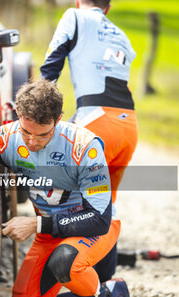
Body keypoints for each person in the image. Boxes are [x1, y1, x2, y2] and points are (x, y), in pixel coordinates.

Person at [0, 79, 135, 297]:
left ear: (58, 120)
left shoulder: (85, 146)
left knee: (64, 261)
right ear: (18, 117)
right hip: (49, 234)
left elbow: (99, 219)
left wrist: (36, 224)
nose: (32, 141)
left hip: (92, 228)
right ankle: (109, 290)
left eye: (42, 135)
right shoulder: (4, 138)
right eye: (26, 132)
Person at [40, 0, 138, 203]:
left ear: (77, 2)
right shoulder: (122, 36)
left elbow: (50, 67)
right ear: (107, 9)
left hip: (96, 122)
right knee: (102, 207)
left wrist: (36, 113)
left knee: (56, 198)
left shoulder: (74, 17)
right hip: (128, 127)